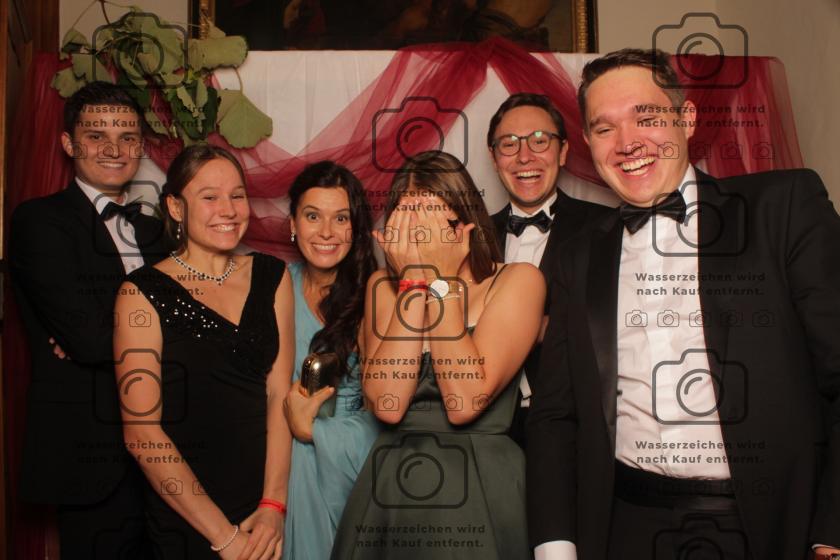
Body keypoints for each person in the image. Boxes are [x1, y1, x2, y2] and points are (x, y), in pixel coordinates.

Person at [527, 48, 840, 560]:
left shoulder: (780, 208)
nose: (627, 142)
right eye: (605, 128)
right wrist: (555, 548)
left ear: (687, 119)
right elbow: (555, 415)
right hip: (624, 526)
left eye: (646, 117)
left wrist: (832, 534)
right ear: (588, 142)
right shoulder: (578, 255)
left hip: (769, 527)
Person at [331, 150, 545, 559]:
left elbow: (464, 401)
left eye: (432, 218)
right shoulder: (382, 287)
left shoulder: (517, 280)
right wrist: (416, 283)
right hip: (393, 487)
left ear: (464, 222)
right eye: (408, 219)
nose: (420, 233)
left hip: (481, 485)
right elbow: (388, 404)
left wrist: (442, 281)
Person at [9, 81, 169, 558]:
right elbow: (91, 339)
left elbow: (195, 326)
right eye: (97, 136)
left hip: (168, 455)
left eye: (127, 137)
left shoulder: (154, 232)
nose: (114, 150)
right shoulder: (40, 221)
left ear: (140, 146)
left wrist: (112, 334)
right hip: (89, 460)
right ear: (68, 143)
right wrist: (103, 335)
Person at [113, 144, 294, 559]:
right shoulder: (140, 294)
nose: (228, 210)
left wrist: (273, 505)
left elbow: (279, 395)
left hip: (262, 512)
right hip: (186, 514)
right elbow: (142, 435)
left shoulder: (272, 275)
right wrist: (225, 538)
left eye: (237, 195)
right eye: (209, 197)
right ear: (176, 207)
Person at [487, 92, 610, 446]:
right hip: (485, 432)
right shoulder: (469, 238)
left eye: (540, 141)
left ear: (564, 151)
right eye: (509, 144)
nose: (525, 156)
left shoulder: (606, 229)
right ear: (494, 158)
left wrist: (548, 327)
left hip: (577, 430)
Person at [281, 161, 381, 559]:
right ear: (292, 223)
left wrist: (312, 432)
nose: (326, 232)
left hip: (353, 457)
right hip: (283, 464)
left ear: (355, 227)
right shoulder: (275, 285)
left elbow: (386, 406)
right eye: (312, 216)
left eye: (340, 218)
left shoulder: (376, 294)